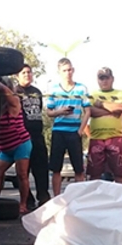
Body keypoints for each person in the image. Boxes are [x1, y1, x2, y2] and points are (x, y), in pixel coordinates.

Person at [45, 58, 91, 195]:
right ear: (59, 72)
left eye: (70, 70)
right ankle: (57, 197)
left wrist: (80, 130)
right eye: (64, 70)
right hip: (58, 131)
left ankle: (78, 198)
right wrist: (60, 112)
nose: (68, 73)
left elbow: (87, 111)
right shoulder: (53, 89)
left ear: (73, 70)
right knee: (56, 169)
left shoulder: (81, 88)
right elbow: (49, 112)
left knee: (79, 169)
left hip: (74, 132)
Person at [0, 81, 32, 214]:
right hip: (5, 148)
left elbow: (5, 91)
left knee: (22, 174)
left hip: (20, 144)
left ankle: (23, 204)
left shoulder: (15, 101)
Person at [16, 64, 51, 209]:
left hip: (37, 135)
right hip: (22, 136)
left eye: (29, 72)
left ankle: (43, 196)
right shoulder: (15, 91)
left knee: (41, 168)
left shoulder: (37, 91)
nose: (27, 75)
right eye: (23, 73)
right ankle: (27, 199)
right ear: (17, 76)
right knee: (23, 171)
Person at [87, 67, 122, 183]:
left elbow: (121, 108)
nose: (104, 81)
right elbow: (91, 112)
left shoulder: (120, 93)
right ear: (97, 80)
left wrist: (102, 104)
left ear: (112, 79)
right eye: (101, 78)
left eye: (107, 78)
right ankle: (95, 195)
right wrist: (111, 110)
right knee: (94, 174)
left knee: (119, 173)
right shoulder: (93, 94)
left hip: (115, 138)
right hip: (96, 138)